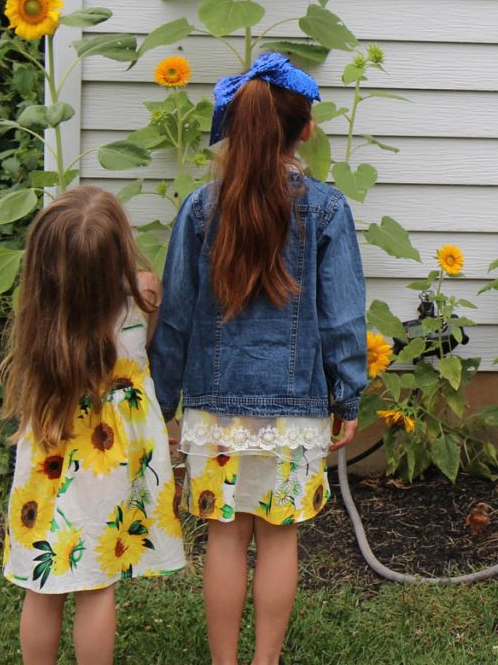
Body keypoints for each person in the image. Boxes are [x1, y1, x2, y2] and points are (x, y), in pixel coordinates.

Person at [150, 52, 368, 665]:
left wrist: (161, 403)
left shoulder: (200, 208)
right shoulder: (327, 210)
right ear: (305, 130)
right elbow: (344, 317)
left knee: (224, 538)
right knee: (277, 540)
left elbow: (175, 318)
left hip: (215, 413)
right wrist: (347, 393)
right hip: (294, 410)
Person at [0, 186, 185, 665]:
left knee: (44, 585)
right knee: (96, 586)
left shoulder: (41, 319)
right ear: (118, 251)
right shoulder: (143, 296)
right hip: (113, 467)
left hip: (51, 463)